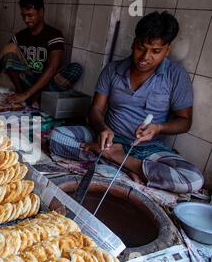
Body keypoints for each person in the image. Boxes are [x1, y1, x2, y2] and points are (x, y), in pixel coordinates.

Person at [50, 11, 204, 194]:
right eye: (141, 47)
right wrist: (103, 129)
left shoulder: (175, 76)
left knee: (192, 179)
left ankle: (118, 160)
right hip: (107, 141)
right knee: (57, 137)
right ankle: (121, 164)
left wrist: (158, 128)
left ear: (167, 49)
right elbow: (95, 110)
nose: (145, 57)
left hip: (147, 150)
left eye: (155, 51)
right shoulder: (113, 70)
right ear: (133, 43)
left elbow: (184, 121)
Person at [0, 0, 83, 105]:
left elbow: (53, 68)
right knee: (8, 50)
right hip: (26, 80)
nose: (26, 20)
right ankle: (25, 94)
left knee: (76, 69)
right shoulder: (20, 36)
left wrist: (26, 95)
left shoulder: (54, 35)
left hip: (45, 83)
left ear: (41, 12)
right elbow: (0, 61)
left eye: (30, 15)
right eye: (23, 16)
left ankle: (34, 96)